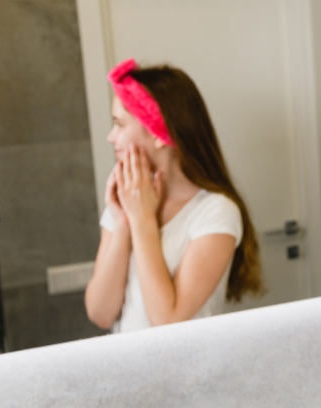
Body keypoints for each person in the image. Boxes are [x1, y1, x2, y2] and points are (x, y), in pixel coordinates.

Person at [85, 59, 263, 333]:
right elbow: (100, 313)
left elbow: (167, 324)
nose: (111, 136)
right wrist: (123, 221)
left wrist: (142, 221)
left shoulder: (216, 212)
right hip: (128, 373)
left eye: (119, 124)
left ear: (158, 133)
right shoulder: (125, 199)